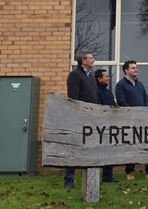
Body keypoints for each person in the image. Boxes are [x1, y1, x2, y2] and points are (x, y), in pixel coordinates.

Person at [115, 60, 148, 181]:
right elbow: (121, 101)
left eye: (136, 68)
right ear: (126, 70)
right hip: (130, 121)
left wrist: (145, 111)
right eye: (133, 68)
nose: (136, 69)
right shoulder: (121, 85)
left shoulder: (140, 84)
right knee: (132, 145)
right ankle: (130, 172)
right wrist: (133, 114)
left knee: (147, 144)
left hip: (143, 120)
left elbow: (145, 99)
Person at [64, 49, 100, 189]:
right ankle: (69, 181)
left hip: (92, 118)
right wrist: (78, 115)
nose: (93, 60)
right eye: (91, 58)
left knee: (90, 148)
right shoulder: (74, 75)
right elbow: (73, 98)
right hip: (79, 119)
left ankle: (90, 179)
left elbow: (94, 96)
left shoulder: (91, 76)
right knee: (74, 149)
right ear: (83, 60)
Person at [95, 69, 118, 183]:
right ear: (99, 79)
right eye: (106, 76)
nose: (108, 78)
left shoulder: (109, 92)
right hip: (100, 125)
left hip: (111, 124)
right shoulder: (95, 91)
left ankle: (108, 176)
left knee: (110, 150)